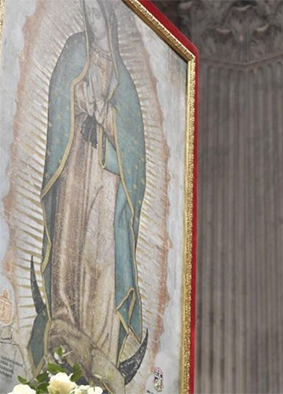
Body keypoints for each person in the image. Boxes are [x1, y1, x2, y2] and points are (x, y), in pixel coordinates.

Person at [27, 0, 146, 390]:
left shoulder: (123, 80)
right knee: (69, 242)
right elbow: (61, 97)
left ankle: (97, 338)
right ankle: (64, 321)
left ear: (110, 21)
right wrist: (81, 105)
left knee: (101, 257)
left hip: (107, 177)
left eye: (99, 14)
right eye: (88, 12)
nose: (93, 20)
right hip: (76, 163)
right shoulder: (75, 50)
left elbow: (133, 151)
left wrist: (107, 120)